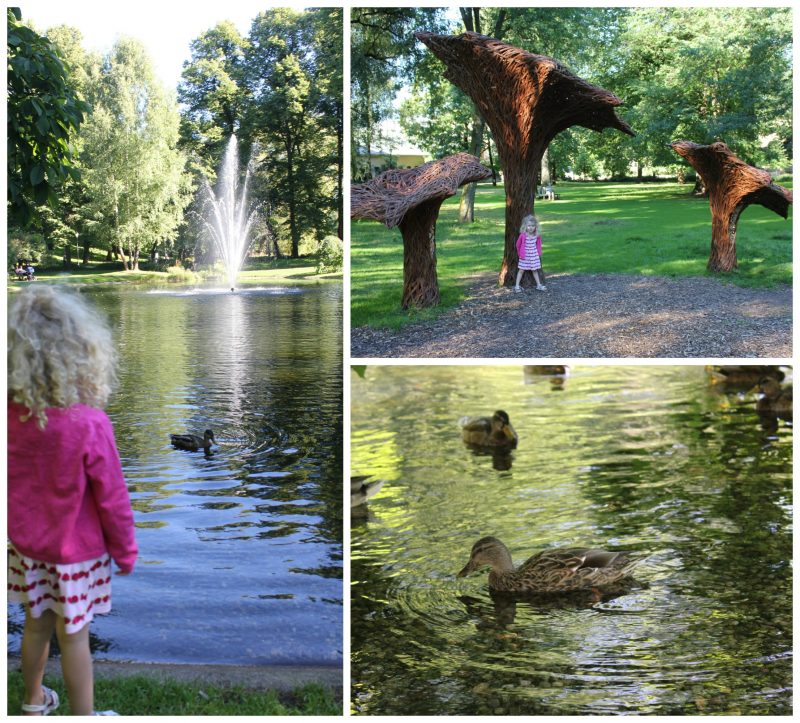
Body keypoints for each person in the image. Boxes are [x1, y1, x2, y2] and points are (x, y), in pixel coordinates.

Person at [8, 286, 137, 716]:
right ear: (80, 350)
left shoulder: (10, 419)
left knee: (36, 624)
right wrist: (125, 550)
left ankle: (32, 702)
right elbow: (113, 498)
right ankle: (84, 716)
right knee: (75, 635)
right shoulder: (89, 423)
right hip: (74, 554)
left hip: (27, 550)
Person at [514, 214, 546, 292]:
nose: (530, 227)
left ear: (535, 227)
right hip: (525, 256)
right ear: (525, 226)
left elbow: (539, 245)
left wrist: (539, 253)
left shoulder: (537, 235)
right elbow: (518, 245)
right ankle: (517, 286)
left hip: (534, 256)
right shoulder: (523, 235)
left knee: (534, 270)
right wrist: (520, 253)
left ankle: (538, 285)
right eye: (529, 226)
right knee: (521, 270)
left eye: (532, 226)